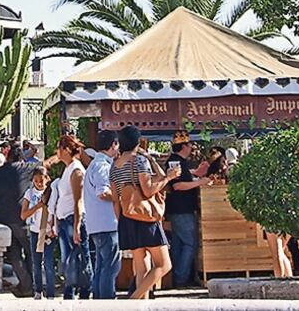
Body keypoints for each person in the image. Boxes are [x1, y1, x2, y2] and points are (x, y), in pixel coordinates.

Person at [111, 125, 181, 300]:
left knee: (141, 267)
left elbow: (115, 199)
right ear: (137, 142)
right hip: (146, 218)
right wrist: (168, 177)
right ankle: (134, 299)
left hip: (127, 218)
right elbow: (148, 190)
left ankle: (141, 305)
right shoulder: (139, 161)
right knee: (164, 265)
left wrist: (122, 221)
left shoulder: (114, 166)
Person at [165, 131, 213, 288]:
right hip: (181, 209)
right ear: (184, 146)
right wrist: (201, 182)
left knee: (180, 244)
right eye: (190, 144)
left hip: (179, 209)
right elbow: (177, 185)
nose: (192, 147)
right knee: (190, 243)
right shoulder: (175, 162)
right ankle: (181, 277)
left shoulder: (179, 161)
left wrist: (196, 174)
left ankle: (176, 277)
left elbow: (183, 179)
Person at [0, 143, 34, 296]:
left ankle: (25, 285)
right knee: (31, 252)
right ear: (21, 157)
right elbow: (46, 165)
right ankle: (31, 286)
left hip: (3, 218)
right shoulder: (27, 169)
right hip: (23, 218)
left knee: (14, 255)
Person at [49, 134, 91, 299]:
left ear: (66, 150)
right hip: (64, 219)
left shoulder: (76, 170)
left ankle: (84, 290)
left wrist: (76, 226)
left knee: (79, 257)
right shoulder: (67, 169)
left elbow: (78, 200)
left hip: (72, 219)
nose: (57, 152)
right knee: (69, 259)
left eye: (59, 148)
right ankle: (70, 290)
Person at [84, 130, 121, 299]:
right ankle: (107, 302)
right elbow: (102, 192)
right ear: (113, 145)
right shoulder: (103, 166)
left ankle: (99, 302)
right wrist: (122, 197)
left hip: (97, 224)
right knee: (111, 267)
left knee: (101, 266)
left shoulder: (95, 164)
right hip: (107, 224)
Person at [21, 167, 56, 300]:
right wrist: (37, 206)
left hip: (48, 231)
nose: (39, 184)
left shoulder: (52, 192)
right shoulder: (29, 194)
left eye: (41, 181)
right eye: (36, 181)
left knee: (48, 262)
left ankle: (51, 292)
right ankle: (38, 290)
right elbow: (23, 215)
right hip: (36, 231)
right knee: (36, 262)